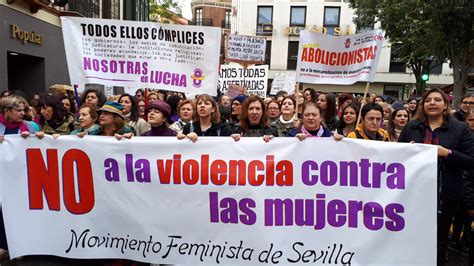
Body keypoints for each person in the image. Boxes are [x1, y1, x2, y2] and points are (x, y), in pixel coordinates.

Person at [398, 88, 474, 265]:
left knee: (439, 236)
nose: (432, 103)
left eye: (437, 100)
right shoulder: (412, 126)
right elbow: (397, 157)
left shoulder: (460, 129)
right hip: (413, 193)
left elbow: (471, 160)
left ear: (445, 105)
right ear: (422, 105)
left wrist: (447, 153)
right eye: (428, 100)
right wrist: (406, 151)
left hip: (445, 195)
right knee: (414, 233)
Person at [0, 95, 37, 258]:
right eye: (18, 110)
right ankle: (4, 244)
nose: (23, 113)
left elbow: (43, 144)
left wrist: (38, 137)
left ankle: (20, 245)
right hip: (3, 176)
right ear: (7, 111)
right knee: (3, 210)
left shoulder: (31, 126)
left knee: (21, 209)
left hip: (23, 176)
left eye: (24, 110)